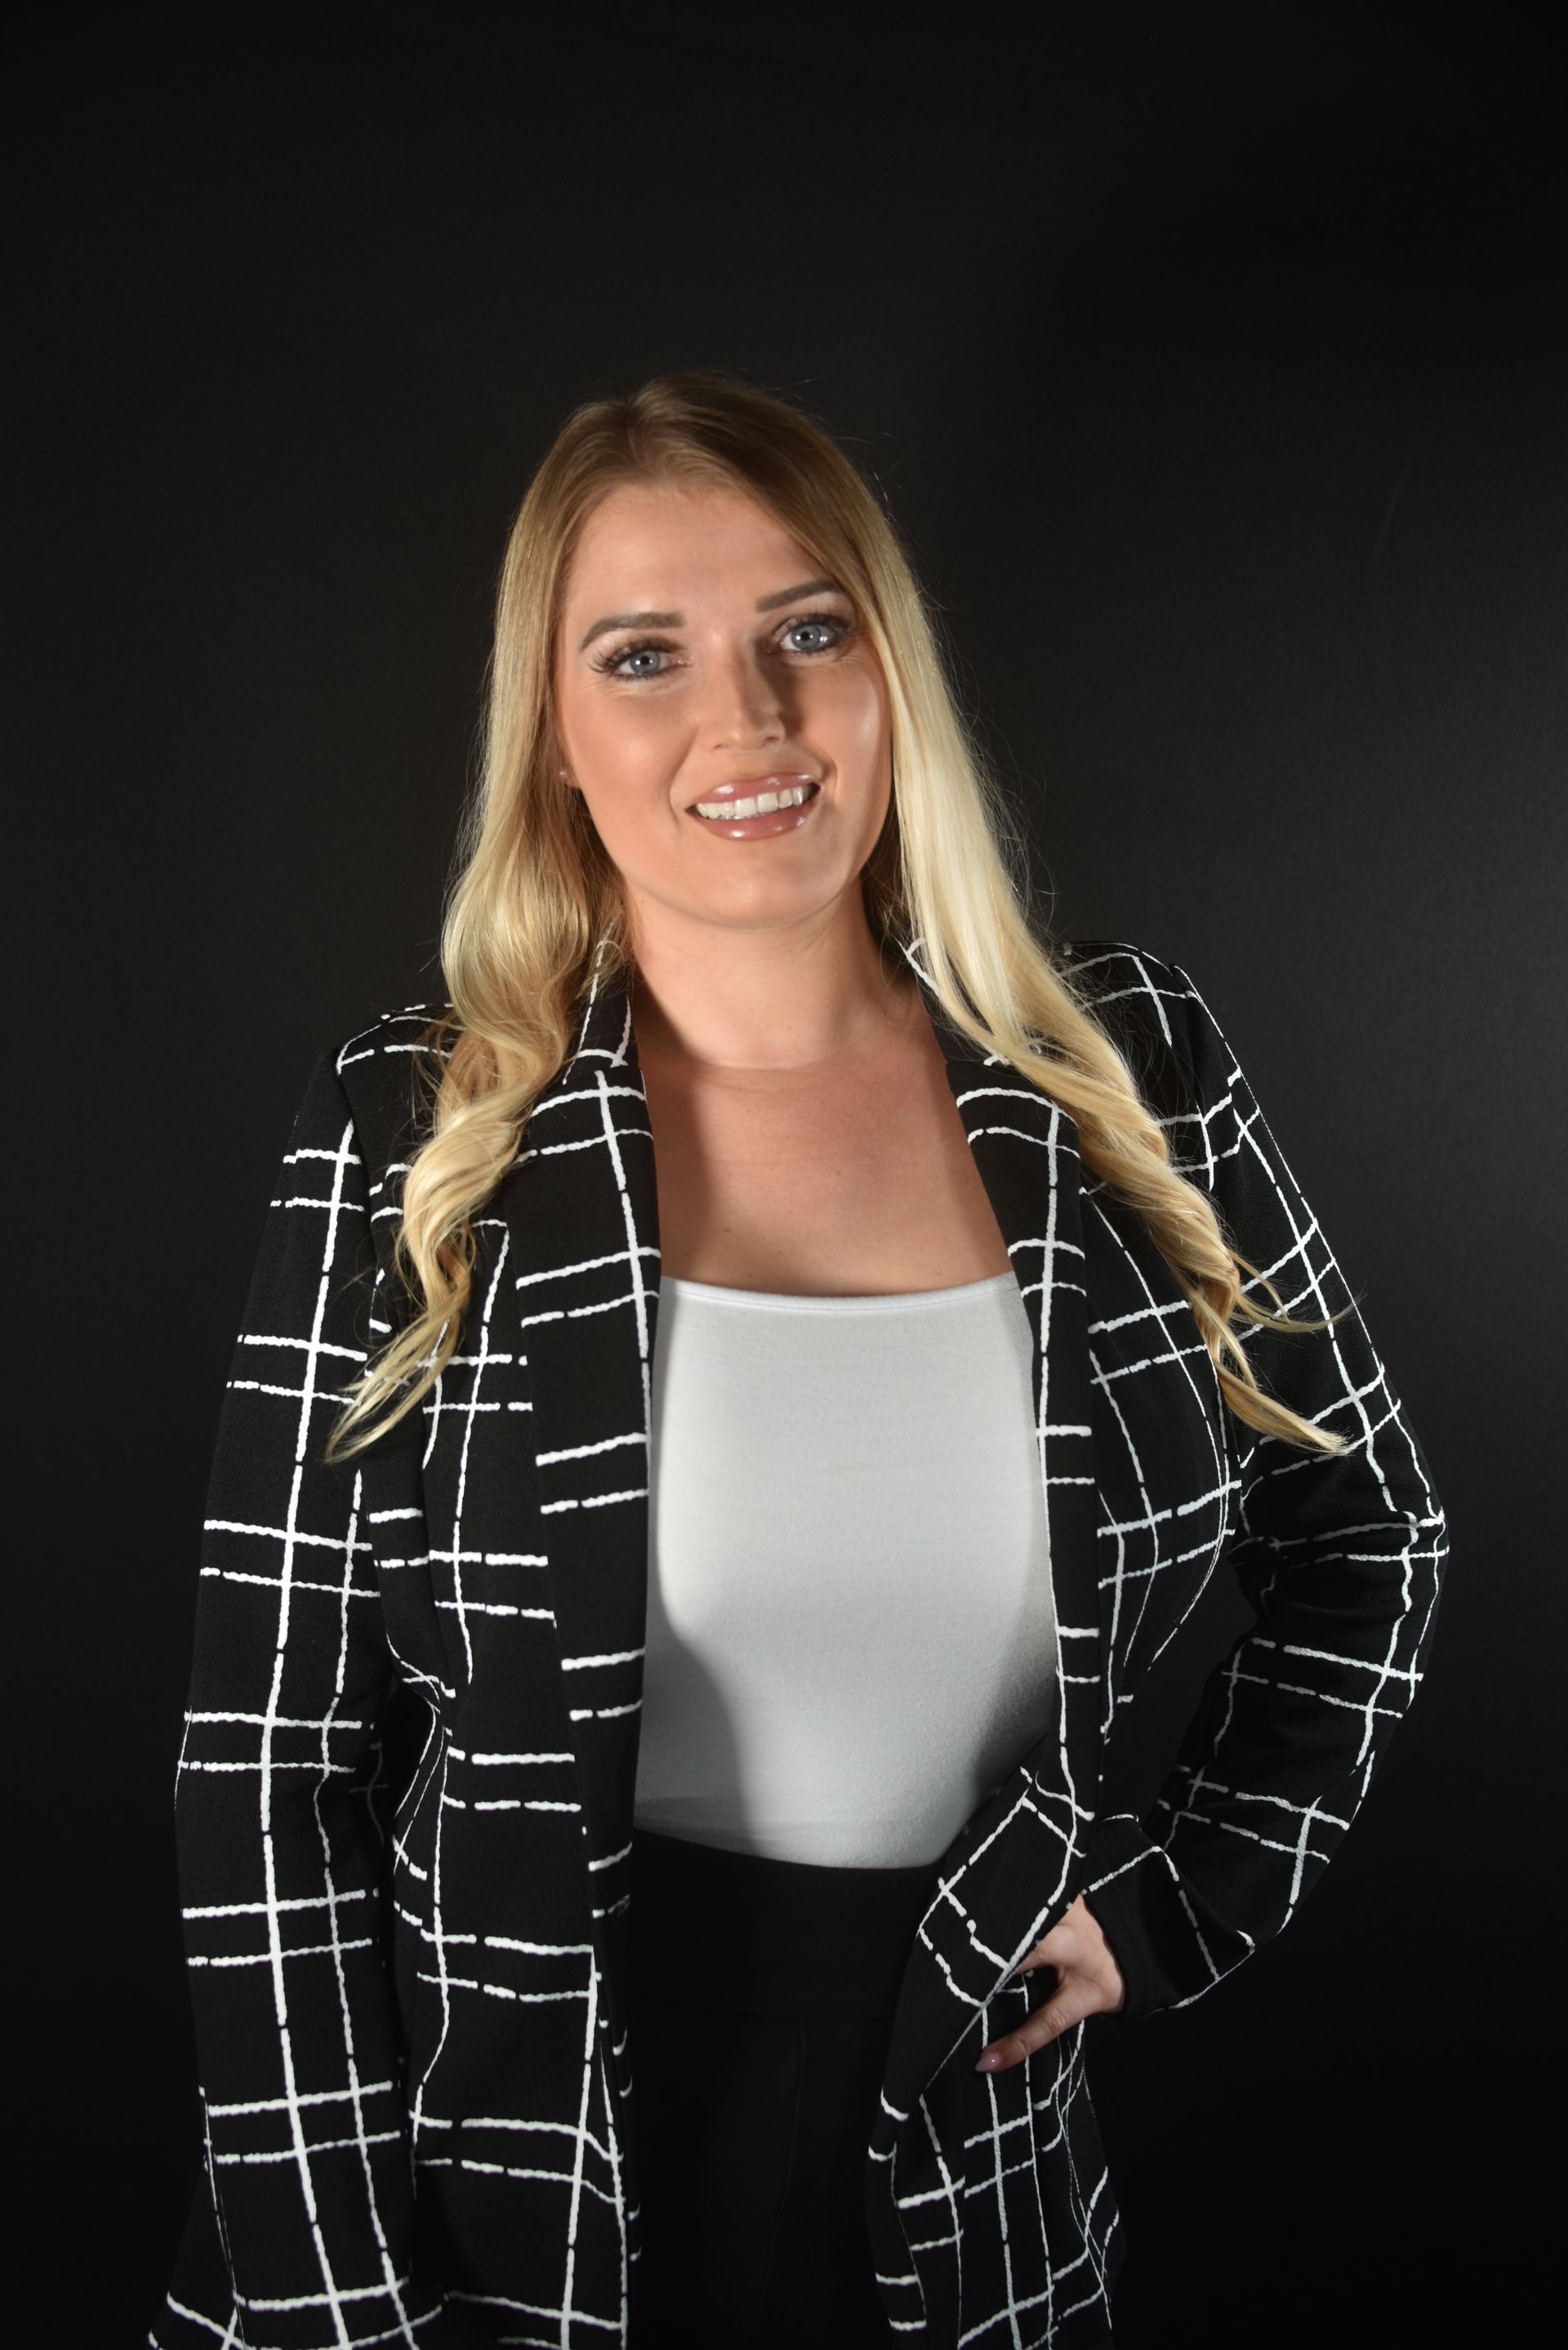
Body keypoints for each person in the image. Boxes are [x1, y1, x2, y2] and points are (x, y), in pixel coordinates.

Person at [153, 370, 1447, 2350]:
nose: (746, 721)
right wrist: (340, 2299)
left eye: (808, 630)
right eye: (645, 654)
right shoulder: (414, 1132)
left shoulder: (1129, 1072)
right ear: (557, 737)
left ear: (889, 671)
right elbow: (268, 1772)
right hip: (510, 2169)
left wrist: (1185, 1897)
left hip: (973, 2133)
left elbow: (1370, 1533)